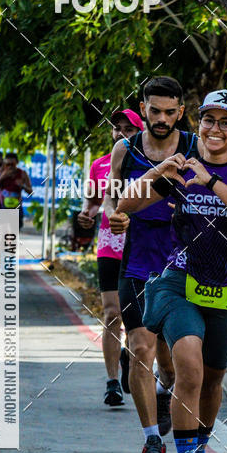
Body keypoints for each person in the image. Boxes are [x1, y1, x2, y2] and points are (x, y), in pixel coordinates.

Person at [108, 89, 227, 453]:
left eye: (226, 123)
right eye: (209, 120)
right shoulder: (180, 170)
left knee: (212, 380)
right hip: (180, 282)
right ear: (199, 123)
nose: (216, 129)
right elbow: (125, 204)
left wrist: (210, 180)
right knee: (189, 369)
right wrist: (158, 172)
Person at [104, 76, 199, 453]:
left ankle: (164, 391)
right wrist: (114, 216)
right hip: (138, 260)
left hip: (181, 262)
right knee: (140, 346)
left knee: (172, 362)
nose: (161, 119)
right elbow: (111, 198)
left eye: (169, 112)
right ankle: (151, 439)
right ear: (143, 109)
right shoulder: (124, 150)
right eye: (154, 111)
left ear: (180, 112)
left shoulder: (195, 147)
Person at [78, 108, 144, 408]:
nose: (121, 134)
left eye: (129, 129)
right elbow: (93, 202)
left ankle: (129, 354)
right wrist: (87, 215)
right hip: (109, 244)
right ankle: (112, 381)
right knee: (111, 313)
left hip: (140, 247)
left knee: (135, 317)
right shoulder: (99, 165)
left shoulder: (150, 163)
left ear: (140, 132)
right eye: (117, 128)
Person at [0, 152, 33, 227]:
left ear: (17, 163)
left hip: (16, 208)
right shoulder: (0, 172)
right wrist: (3, 177)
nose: (10, 167)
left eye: (12, 164)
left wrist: (23, 186)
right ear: (4, 163)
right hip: (2, 208)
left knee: (14, 231)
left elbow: (31, 192)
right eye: (7, 164)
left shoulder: (22, 174)